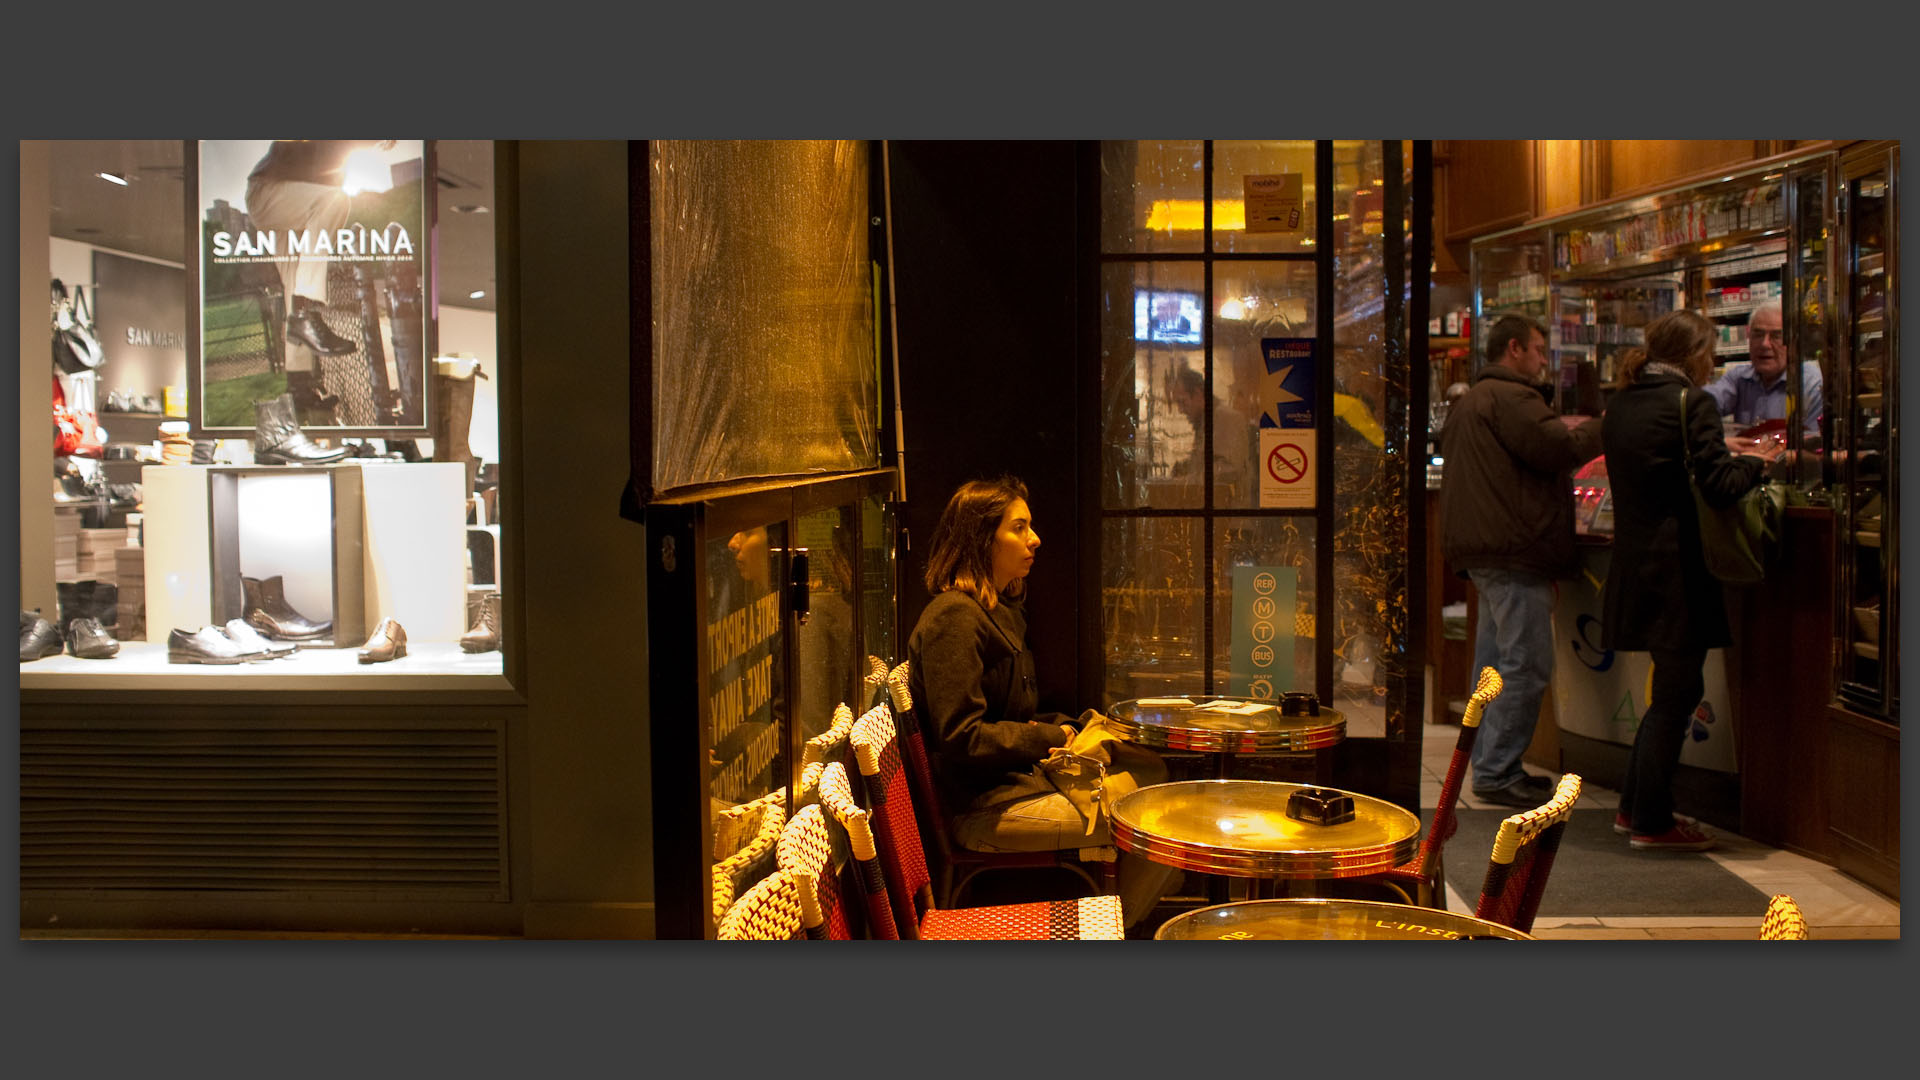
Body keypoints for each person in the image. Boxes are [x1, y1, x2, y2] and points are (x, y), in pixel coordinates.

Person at [906, 476, 1179, 927]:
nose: (1035, 539)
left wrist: (1068, 726)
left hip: (1013, 786)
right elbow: (961, 737)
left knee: (1158, 785)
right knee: (1161, 825)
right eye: (1019, 527)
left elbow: (1011, 713)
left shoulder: (998, 609)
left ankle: (1110, 928)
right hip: (983, 807)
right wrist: (1051, 737)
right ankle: (1112, 933)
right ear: (982, 538)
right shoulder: (954, 617)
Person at [1601, 310, 1782, 852]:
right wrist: (1760, 462)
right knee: (1679, 692)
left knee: (1671, 691)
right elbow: (1720, 485)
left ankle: (1634, 808)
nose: (1712, 362)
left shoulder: (1622, 403)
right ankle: (1652, 821)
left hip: (1636, 567)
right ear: (1694, 353)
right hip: (1679, 572)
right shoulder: (1690, 402)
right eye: (1709, 352)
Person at [1440, 315, 1602, 808]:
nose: (1540, 358)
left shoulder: (1471, 400)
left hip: (1487, 551)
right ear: (1513, 349)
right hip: (1514, 549)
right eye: (1536, 348)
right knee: (1525, 664)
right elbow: (1561, 447)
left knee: (1492, 667)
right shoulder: (1513, 398)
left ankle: (1486, 762)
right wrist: (1609, 425)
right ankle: (1497, 769)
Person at [245, 140, 391, 413]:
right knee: (336, 200)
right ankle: (306, 310)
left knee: (293, 285)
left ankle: (300, 387)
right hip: (268, 194)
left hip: (294, 206)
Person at [1702, 300, 1824, 434]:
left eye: (1776, 336)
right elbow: (1703, 404)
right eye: (1758, 335)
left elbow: (1811, 444)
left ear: (1793, 343)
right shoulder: (1739, 378)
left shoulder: (1811, 385)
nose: (1764, 344)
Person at [1166, 367, 1253, 500]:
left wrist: (1187, 481)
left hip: (1226, 513)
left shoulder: (1226, 418)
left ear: (1198, 394)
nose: (1180, 410)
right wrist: (1184, 467)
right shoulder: (1206, 421)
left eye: (1182, 402)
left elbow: (1229, 469)